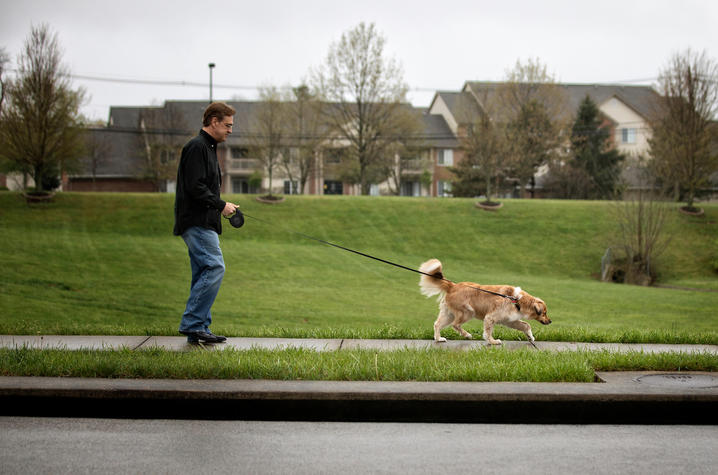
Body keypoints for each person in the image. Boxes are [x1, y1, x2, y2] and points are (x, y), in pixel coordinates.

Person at [173, 102, 239, 344]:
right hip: (196, 221)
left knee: (202, 272)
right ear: (214, 122)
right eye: (227, 125)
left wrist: (221, 206)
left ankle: (198, 329)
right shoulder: (197, 147)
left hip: (204, 220)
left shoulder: (207, 148)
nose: (231, 130)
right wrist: (221, 205)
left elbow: (202, 187)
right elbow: (195, 187)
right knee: (215, 267)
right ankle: (192, 323)